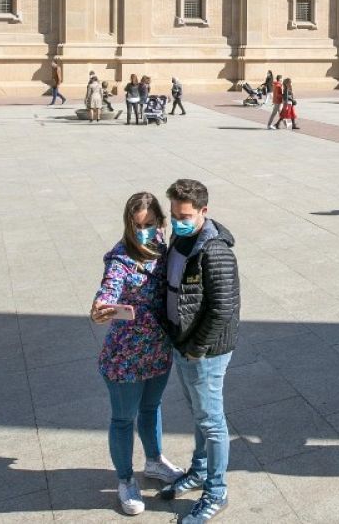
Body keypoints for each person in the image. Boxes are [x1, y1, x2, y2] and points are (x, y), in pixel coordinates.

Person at [91, 192, 184, 515]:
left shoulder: (163, 248)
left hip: (158, 348)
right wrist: (102, 306)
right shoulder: (119, 258)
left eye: (150, 223)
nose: (144, 230)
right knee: (122, 419)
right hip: (125, 357)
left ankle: (155, 461)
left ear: (160, 222)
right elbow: (110, 287)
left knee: (151, 408)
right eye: (137, 225)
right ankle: (126, 479)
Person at [157, 179, 240, 524]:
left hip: (203, 351)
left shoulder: (215, 250)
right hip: (183, 343)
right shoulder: (181, 238)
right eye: (174, 214)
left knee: (212, 421)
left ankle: (216, 491)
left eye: (185, 215)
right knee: (198, 415)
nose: (178, 220)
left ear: (204, 212)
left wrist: (197, 348)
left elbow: (223, 307)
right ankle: (200, 470)